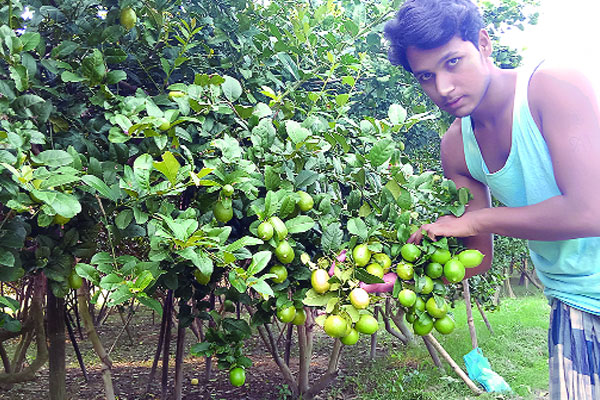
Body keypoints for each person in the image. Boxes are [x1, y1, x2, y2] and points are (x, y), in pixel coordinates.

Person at [383, 0, 600, 398]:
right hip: (571, 300)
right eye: (426, 76)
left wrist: (476, 221)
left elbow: (591, 211)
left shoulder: (553, 86)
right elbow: (478, 259)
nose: (442, 89)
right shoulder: (457, 147)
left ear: (483, 43)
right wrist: (402, 273)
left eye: (453, 62)